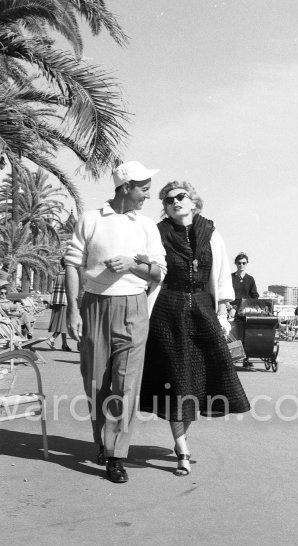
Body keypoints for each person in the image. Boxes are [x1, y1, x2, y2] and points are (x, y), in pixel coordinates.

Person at [65, 161, 167, 484]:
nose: (147, 196)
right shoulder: (91, 220)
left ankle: (115, 455)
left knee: (126, 386)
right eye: (143, 189)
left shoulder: (147, 226)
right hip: (95, 306)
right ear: (126, 187)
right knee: (96, 383)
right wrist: (73, 309)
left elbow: (158, 273)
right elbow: (71, 265)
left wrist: (131, 266)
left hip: (134, 308)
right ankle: (103, 440)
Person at [139, 181, 251, 477]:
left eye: (180, 197)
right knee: (176, 380)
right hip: (166, 310)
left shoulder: (211, 232)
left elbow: (222, 276)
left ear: (193, 201)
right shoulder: (158, 232)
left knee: (203, 378)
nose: (173, 202)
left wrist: (223, 310)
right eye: (167, 200)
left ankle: (181, 439)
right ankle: (181, 447)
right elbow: (148, 268)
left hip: (202, 309)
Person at [46, 258, 72, 351]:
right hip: (66, 300)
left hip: (57, 300)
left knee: (62, 322)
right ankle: (52, 338)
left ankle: (64, 344)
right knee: (64, 323)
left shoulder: (59, 273)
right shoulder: (69, 274)